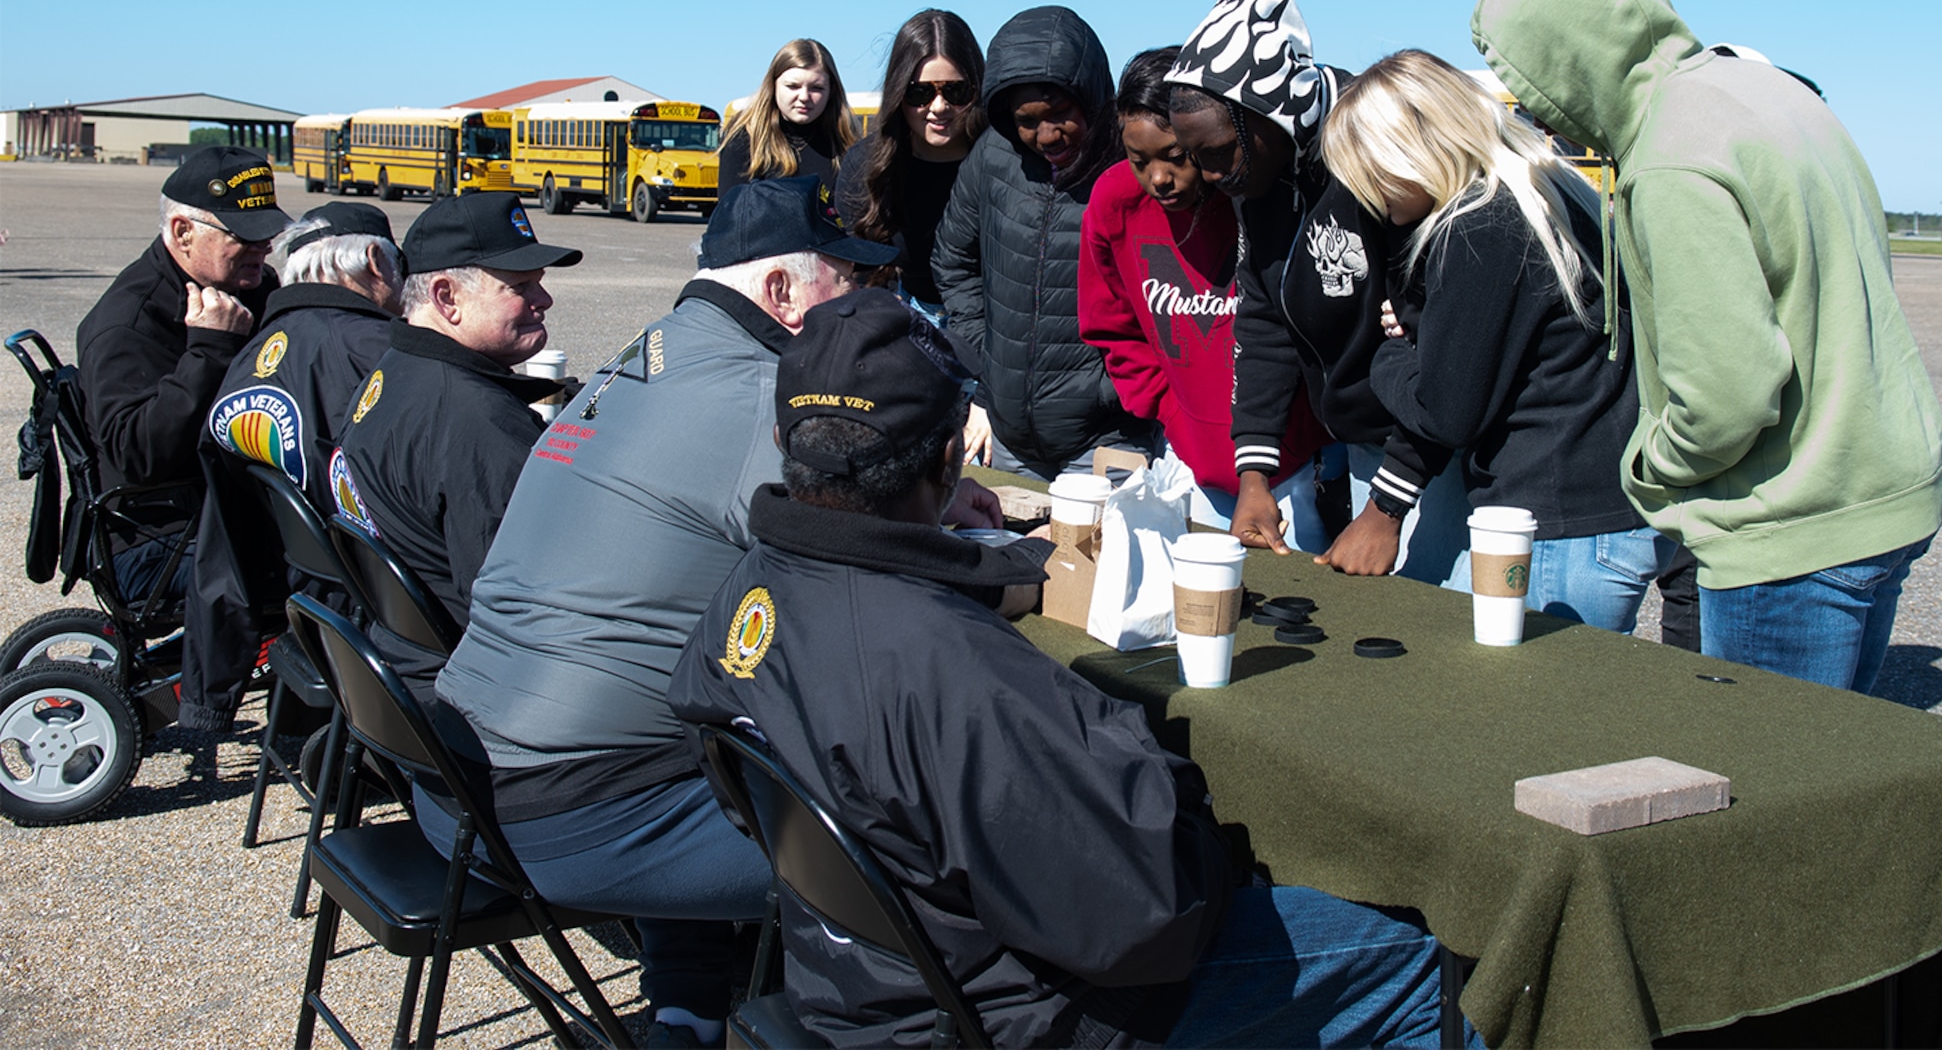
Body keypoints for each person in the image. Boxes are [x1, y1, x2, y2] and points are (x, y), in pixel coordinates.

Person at [667, 288, 1461, 1049]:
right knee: (1421, 972)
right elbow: (1149, 915)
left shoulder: (746, 600)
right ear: (950, 458)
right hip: (1009, 1015)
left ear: (784, 443)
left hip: (856, 978)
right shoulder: (951, 672)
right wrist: (1186, 802)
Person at [434, 178, 1003, 1046]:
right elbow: (875, 579)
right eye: (843, 280)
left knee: (719, 720)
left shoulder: (647, 354)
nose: (860, 299)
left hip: (460, 775)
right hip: (579, 816)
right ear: (779, 292)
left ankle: (687, 1012)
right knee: (928, 853)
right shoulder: (759, 391)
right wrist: (1016, 565)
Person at [1471, 0, 1942, 691]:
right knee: (1844, 776)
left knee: (1772, 794)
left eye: (1535, 88)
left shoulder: (1670, 157)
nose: (1542, 116)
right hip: (1888, 493)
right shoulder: (1770, 93)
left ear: (1568, 58)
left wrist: (1651, 469)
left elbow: (1727, 396)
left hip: (1791, 528)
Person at [1322, 49, 1678, 630]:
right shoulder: (1551, 187)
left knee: (1521, 708)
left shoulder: (1480, 227)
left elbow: (1446, 413)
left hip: (1554, 523)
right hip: (1607, 507)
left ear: (1415, 148)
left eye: (1372, 173)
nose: (1370, 198)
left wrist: (1391, 354)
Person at [1163, 0, 1470, 581]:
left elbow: (1441, 349)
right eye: (1192, 156)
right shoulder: (1258, 179)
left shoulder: (1375, 151)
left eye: (1219, 151)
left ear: (1270, 115)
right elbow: (1264, 319)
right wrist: (1256, 474)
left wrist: (1387, 507)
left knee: (1442, 626)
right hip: (1367, 440)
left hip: (1444, 447)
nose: (1208, 174)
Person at [1080, 48, 1335, 550]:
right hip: (1189, 465)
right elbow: (1111, 327)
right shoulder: (1113, 202)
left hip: (1294, 468)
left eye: (1176, 156)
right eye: (1139, 161)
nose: (1158, 177)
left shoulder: (1258, 200)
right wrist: (1173, 414)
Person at [328, 191, 579, 699]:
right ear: (446, 298)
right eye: (520, 286)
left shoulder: (394, 371)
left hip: (397, 661)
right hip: (464, 695)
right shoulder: (474, 419)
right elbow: (526, 609)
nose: (544, 300)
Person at [180, 202, 404, 731]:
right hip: (372, 609)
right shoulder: (378, 352)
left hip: (297, 593)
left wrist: (206, 696)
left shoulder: (254, 350)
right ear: (376, 261)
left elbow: (224, 541)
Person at [932, 5, 1154, 477]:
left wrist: (1110, 386)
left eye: (1059, 113)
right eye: (1026, 120)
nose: (1046, 135)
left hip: (1109, 439)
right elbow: (953, 260)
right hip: (1009, 439)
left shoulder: (1132, 166)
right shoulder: (992, 155)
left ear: (1091, 95)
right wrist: (991, 358)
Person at [75, 145, 289, 604]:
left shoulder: (243, 286)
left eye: (266, 234)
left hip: (226, 506)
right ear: (182, 231)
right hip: (159, 539)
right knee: (329, 578)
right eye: (245, 235)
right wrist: (210, 351)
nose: (264, 247)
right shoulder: (130, 322)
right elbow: (138, 458)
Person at [833, 9, 985, 317]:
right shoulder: (866, 165)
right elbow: (852, 262)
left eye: (955, 91)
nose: (939, 107)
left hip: (992, 322)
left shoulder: (1003, 161)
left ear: (976, 89)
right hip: (906, 315)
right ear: (898, 93)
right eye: (920, 93)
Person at [716, 38, 855, 200]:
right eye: (793, 86)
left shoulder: (845, 143)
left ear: (831, 91)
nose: (804, 97)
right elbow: (729, 214)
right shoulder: (745, 137)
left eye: (816, 88)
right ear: (773, 86)